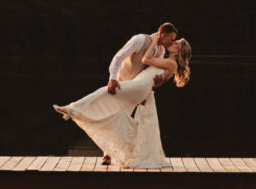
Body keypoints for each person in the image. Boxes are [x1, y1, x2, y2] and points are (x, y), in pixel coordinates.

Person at [53, 26, 192, 169]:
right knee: (117, 116)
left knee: (104, 93)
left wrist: (156, 80)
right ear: (163, 34)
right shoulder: (141, 40)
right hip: (131, 83)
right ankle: (112, 152)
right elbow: (122, 58)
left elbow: (147, 60)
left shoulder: (166, 57)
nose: (172, 42)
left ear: (178, 50)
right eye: (172, 39)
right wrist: (113, 78)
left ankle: (72, 109)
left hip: (138, 87)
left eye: (175, 42)